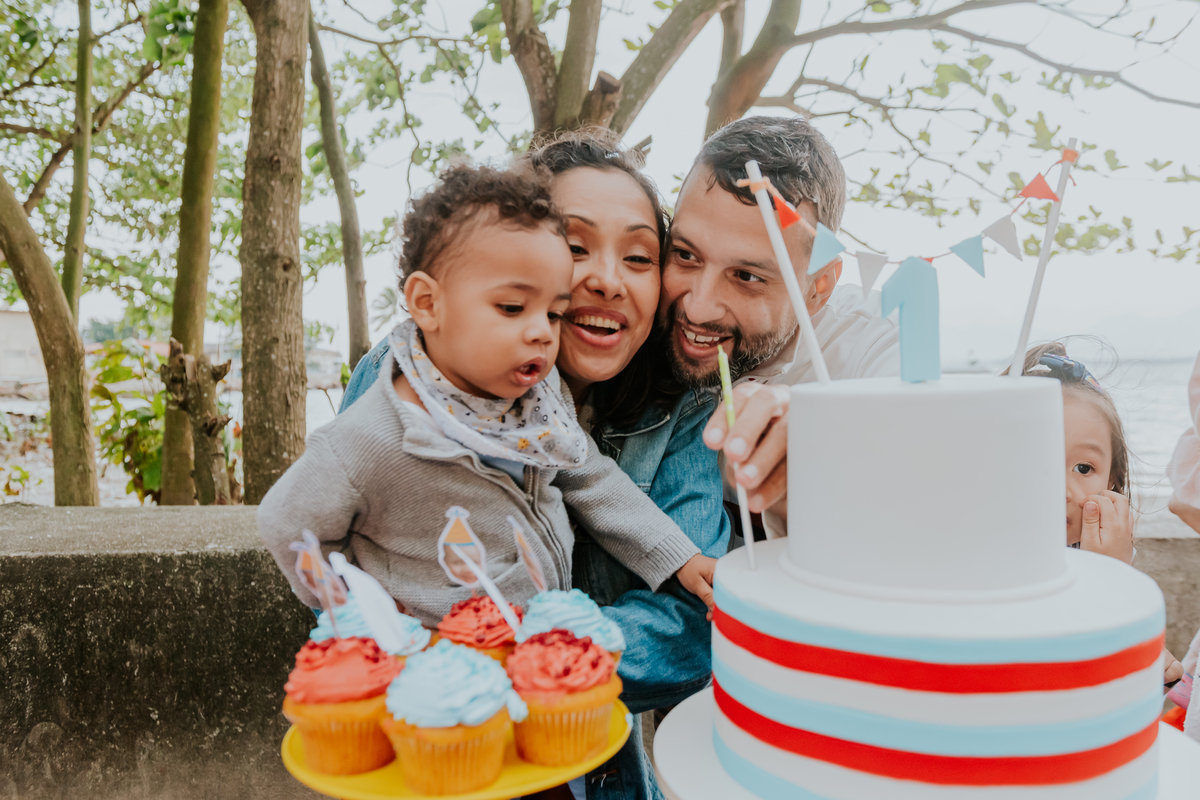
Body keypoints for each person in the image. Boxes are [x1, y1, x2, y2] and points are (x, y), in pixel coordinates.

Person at [340, 131, 734, 800]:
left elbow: (696, 626)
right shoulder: (408, 377)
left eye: (640, 256)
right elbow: (343, 570)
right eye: (576, 247)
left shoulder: (683, 412)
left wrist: (523, 654)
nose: (607, 277)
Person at [257, 162, 718, 634]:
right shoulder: (373, 434)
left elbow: (591, 478)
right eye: (513, 308)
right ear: (428, 303)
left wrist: (677, 556)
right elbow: (286, 523)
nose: (541, 332)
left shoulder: (537, 395)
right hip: (440, 679)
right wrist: (361, 614)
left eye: (554, 312)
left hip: (536, 657)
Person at [667, 117, 900, 537]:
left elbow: (914, 451)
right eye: (685, 254)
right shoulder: (636, 318)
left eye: (748, 277)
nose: (698, 308)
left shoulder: (870, 344)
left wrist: (824, 437)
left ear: (818, 287)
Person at [1016, 342, 1183, 684]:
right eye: (1033, 461)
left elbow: (1113, 673)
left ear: (1112, 482)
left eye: (1083, 467)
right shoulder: (974, 567)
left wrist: (1153, 666)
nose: (1060, 491)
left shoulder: (1109, 559)